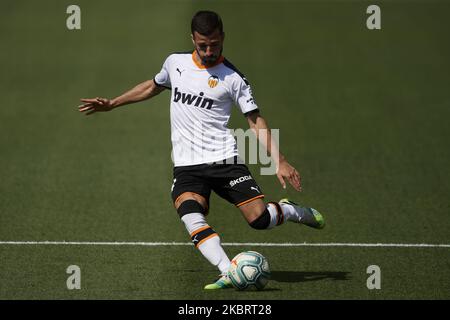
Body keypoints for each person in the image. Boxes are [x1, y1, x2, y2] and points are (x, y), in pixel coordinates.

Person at [78, 10, 325, 290]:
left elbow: (255, 120)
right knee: (189, 212)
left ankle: (291, 211)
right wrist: (113, 103)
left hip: (225, 161)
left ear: (223, 38)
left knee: (260, 220)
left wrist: (279, 161)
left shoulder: (233, 78)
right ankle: (228, 269)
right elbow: (153, 86)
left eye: (215, 44)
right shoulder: (175, 63)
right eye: (202, 45)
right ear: (192, 39)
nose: (209, 51)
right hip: (187, 166)